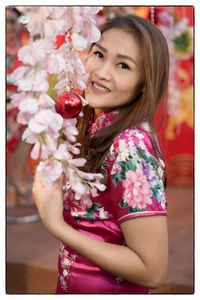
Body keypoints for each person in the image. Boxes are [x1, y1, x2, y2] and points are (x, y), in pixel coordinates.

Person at [33, 14, 169, 294]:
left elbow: (151, 270)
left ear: (144, 83)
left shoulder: (130, 148)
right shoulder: (94, 128)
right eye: (99, 54)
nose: (102, 72)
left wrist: (57, 226)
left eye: (123, 65)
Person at [6, 7, 32, 199]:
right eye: (5, 21)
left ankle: (15, 176)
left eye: (12, 21)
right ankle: (13, 177)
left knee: (32, 126)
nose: (9, 26)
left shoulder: (24, 48)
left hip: (18, 104)